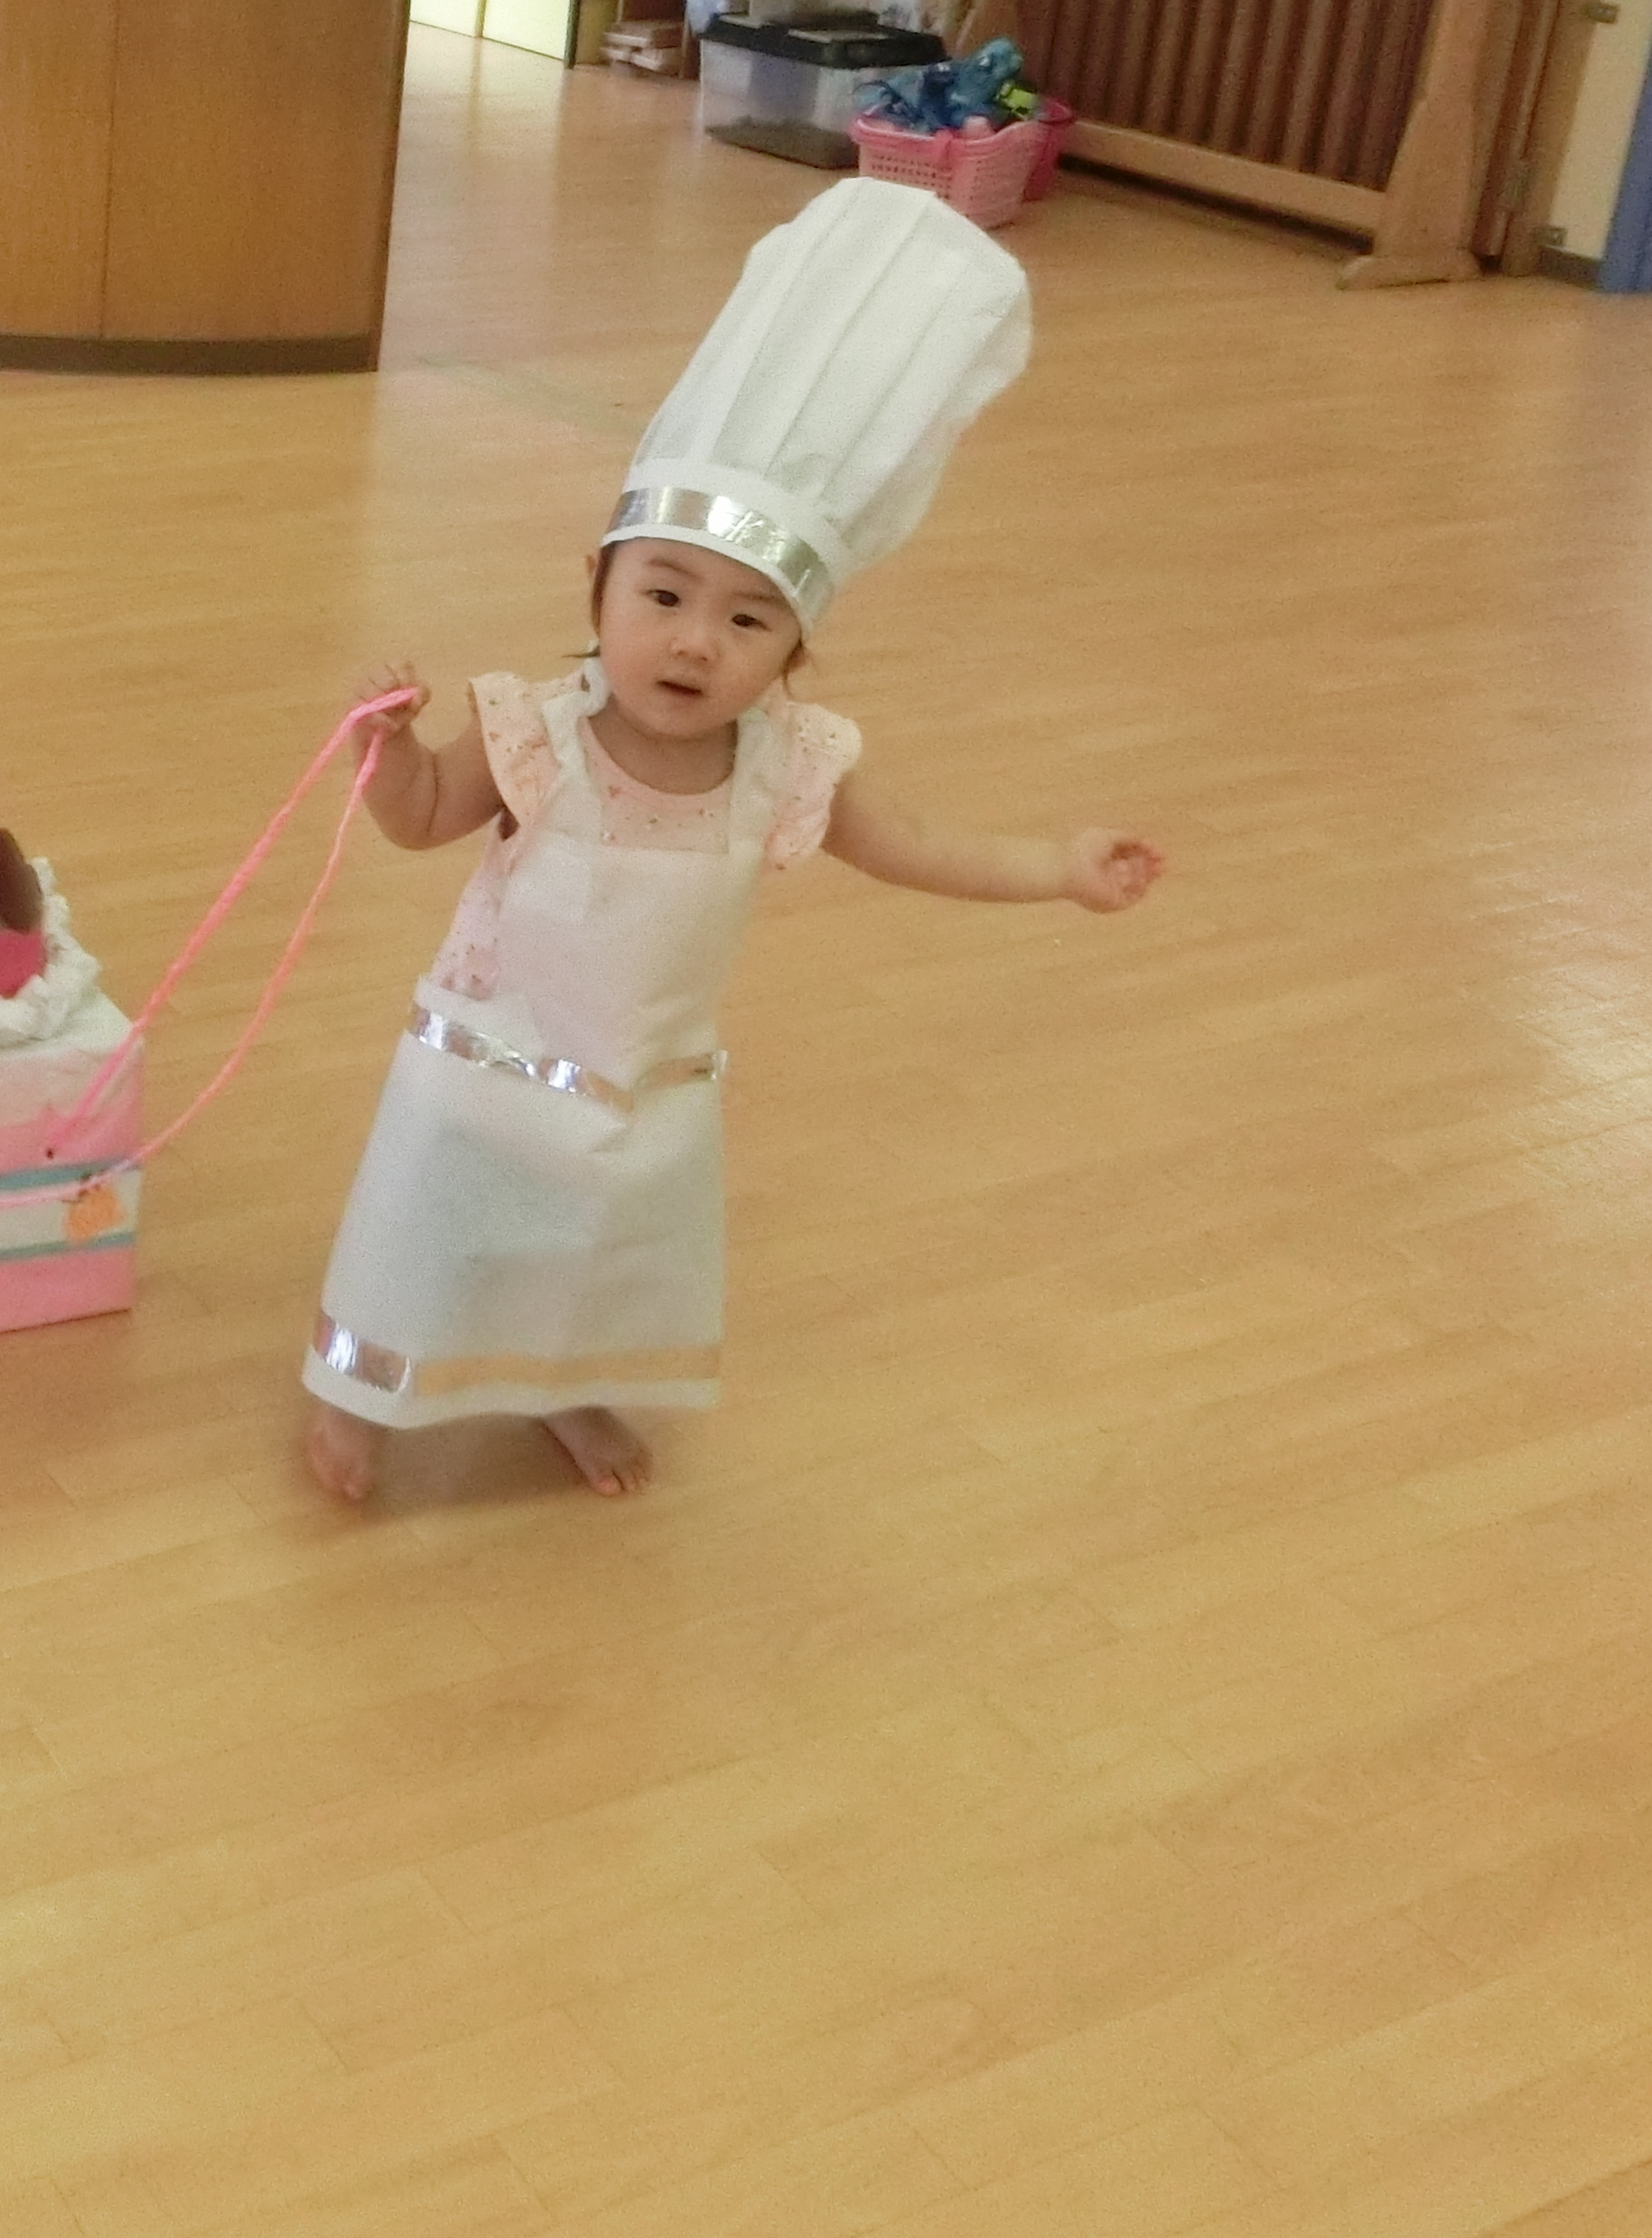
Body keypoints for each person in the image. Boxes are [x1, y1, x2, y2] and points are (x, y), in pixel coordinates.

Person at [302, 180, 1165, 1508]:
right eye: (664, 595)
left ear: (794, 653)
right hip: (485, 1071)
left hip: (644, 1084)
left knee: (600, 1246)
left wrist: (1056, 867)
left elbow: (914, 844)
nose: (697, 642)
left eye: (749, 621)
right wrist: (390, 751)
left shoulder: (787, 763)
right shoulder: (539, 729)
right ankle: (361, 1389)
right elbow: (420, 820)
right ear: (597, 589)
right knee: (437, 1223)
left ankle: (564, 1382)